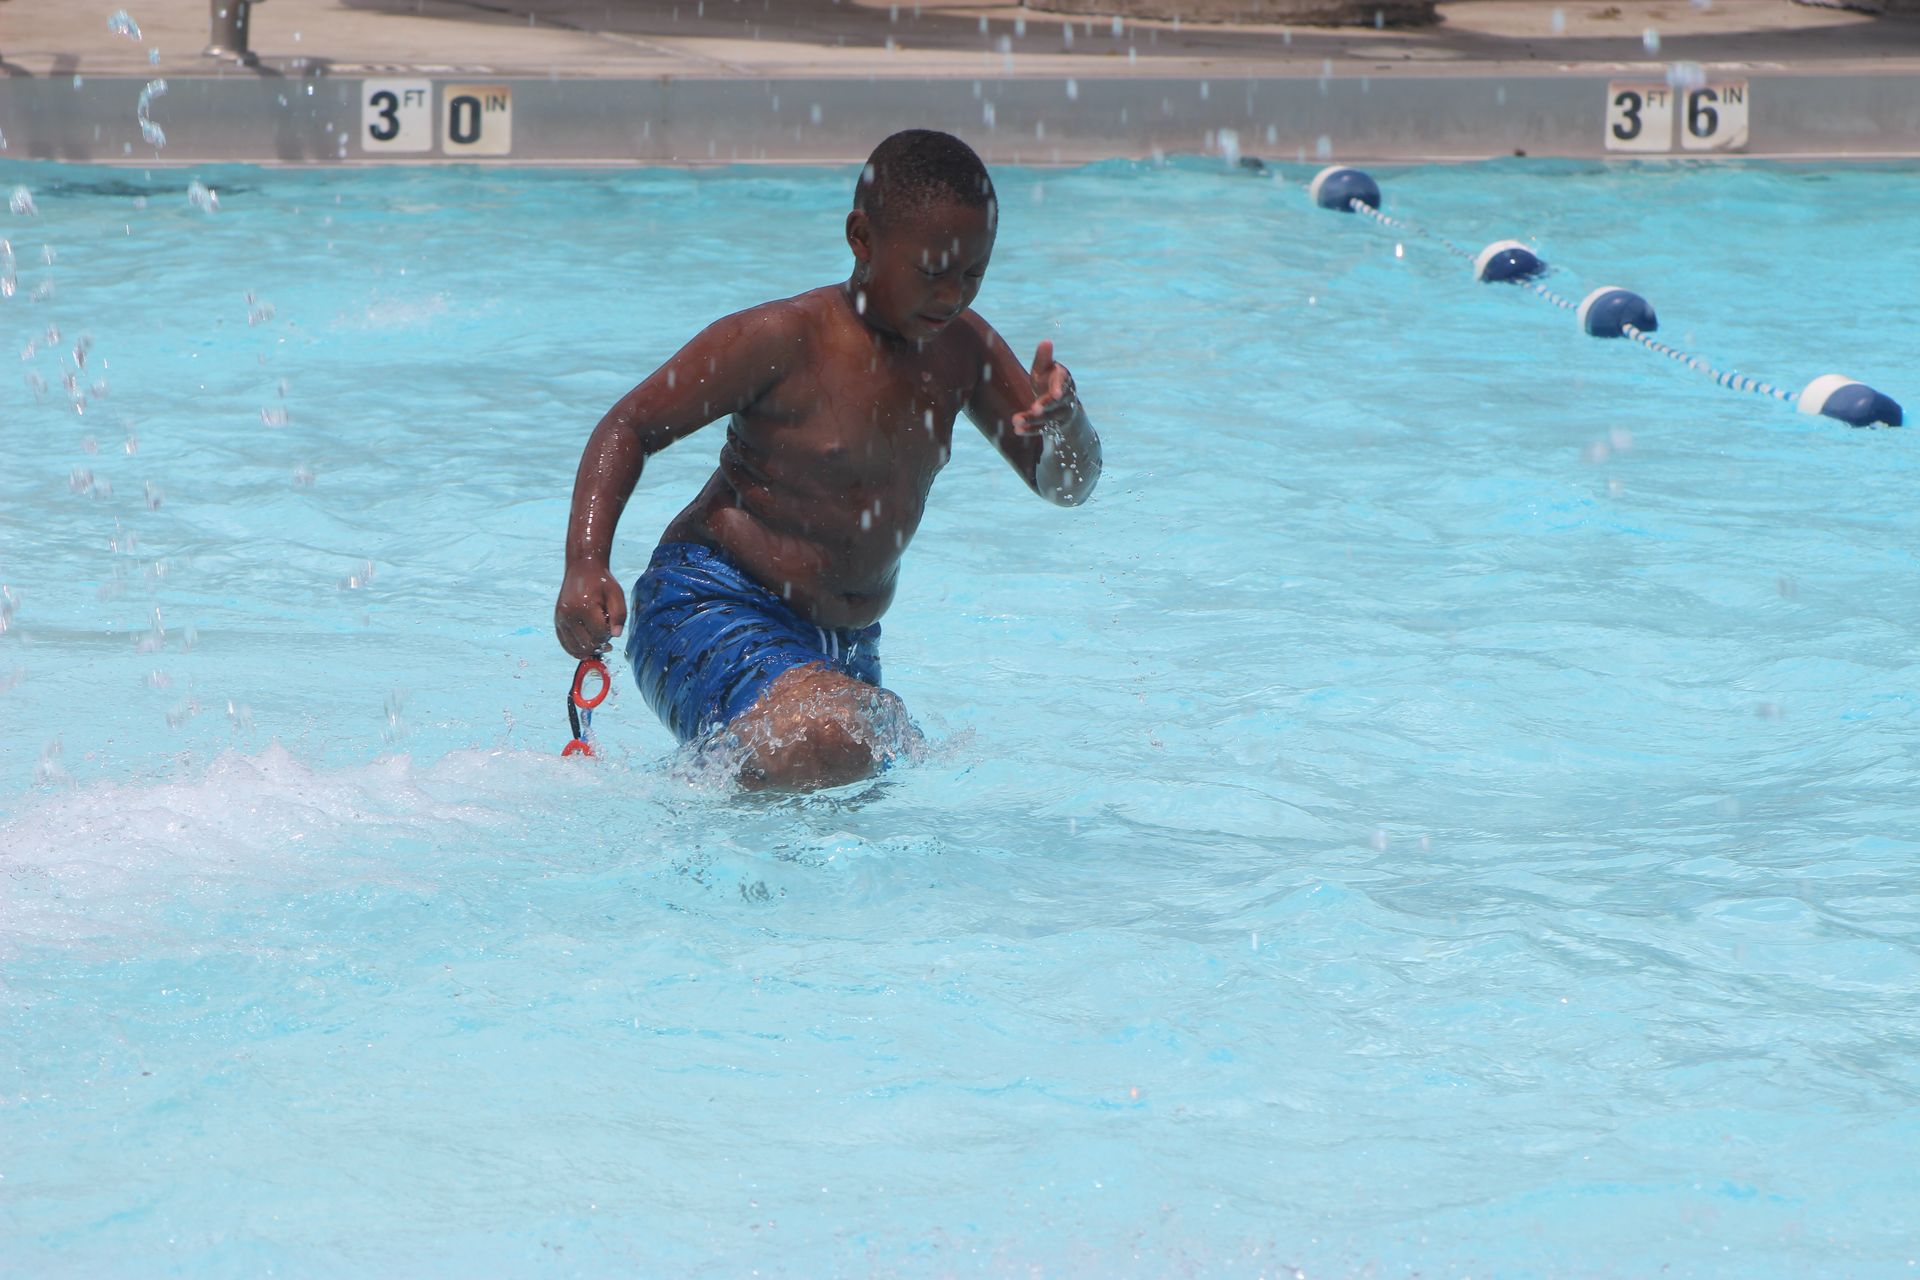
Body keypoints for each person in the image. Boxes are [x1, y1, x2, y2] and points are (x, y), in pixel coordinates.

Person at [552, 129, 1102, 790]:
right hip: (709, 604)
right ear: (862, 238)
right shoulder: (782, 339)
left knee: (846, 767)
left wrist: (1069, 427)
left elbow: (1066, 486)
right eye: (932, 272)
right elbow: (629, 425)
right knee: (829, 739)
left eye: (973, 274)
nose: (953, 296)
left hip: (842, 648)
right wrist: (586, 563)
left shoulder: (965, 353)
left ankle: (683, 814)